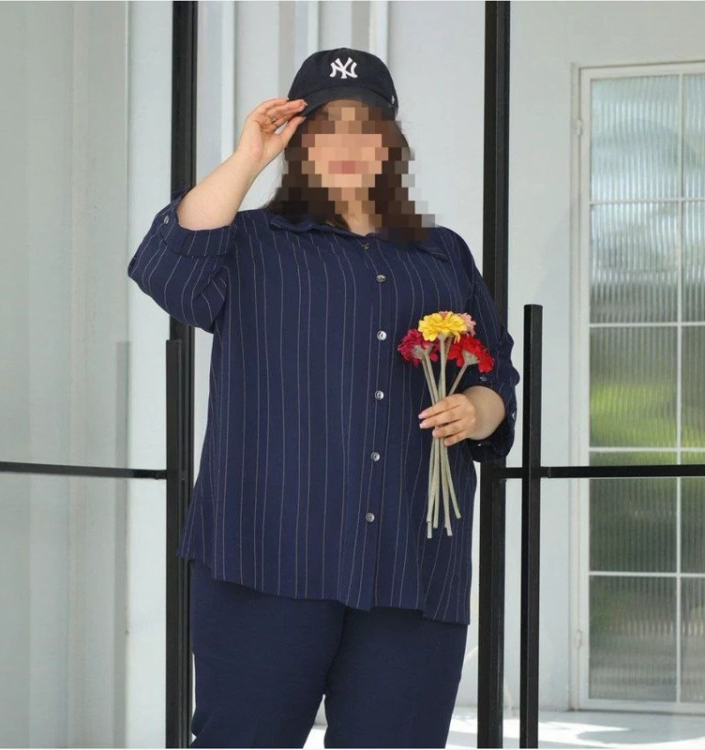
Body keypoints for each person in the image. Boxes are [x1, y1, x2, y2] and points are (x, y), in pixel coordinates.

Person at [128, 47, 520, 749]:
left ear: (391, 142)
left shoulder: (441, 254)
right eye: (324, 126)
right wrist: (247, 158)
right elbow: (166, 267)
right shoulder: (248, 243)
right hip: (265, 559)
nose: (346, 144)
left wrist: (481, 409)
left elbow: (497, 371)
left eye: (365, 126)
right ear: (298, 141)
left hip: (411, 562)